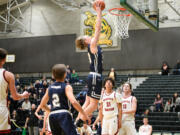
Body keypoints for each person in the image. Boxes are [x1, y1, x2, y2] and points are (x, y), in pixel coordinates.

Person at [37, 64, 90, 135]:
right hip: (64, 114)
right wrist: (84, 114)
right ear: (65, 74)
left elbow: (42, 105)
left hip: (52, 116)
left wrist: (51, 111)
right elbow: (74, 102)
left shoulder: (49, 88)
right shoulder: (67, 87)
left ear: (53, 75)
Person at [75, 0, 103, 124]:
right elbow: (98, 28)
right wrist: (98, 12)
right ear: (85, 41)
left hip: (92, 76)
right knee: (93, 105)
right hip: (95, 76)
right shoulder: (92, 45)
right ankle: (80, 121)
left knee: (88, 103)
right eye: (85, 36)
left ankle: (76, 121)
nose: (88, 36)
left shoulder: (90, 46)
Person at [0, 48, 30, 134]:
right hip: (1, 109)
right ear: (4, 59)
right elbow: (15, 97)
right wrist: (23, 95)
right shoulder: (8, 75)